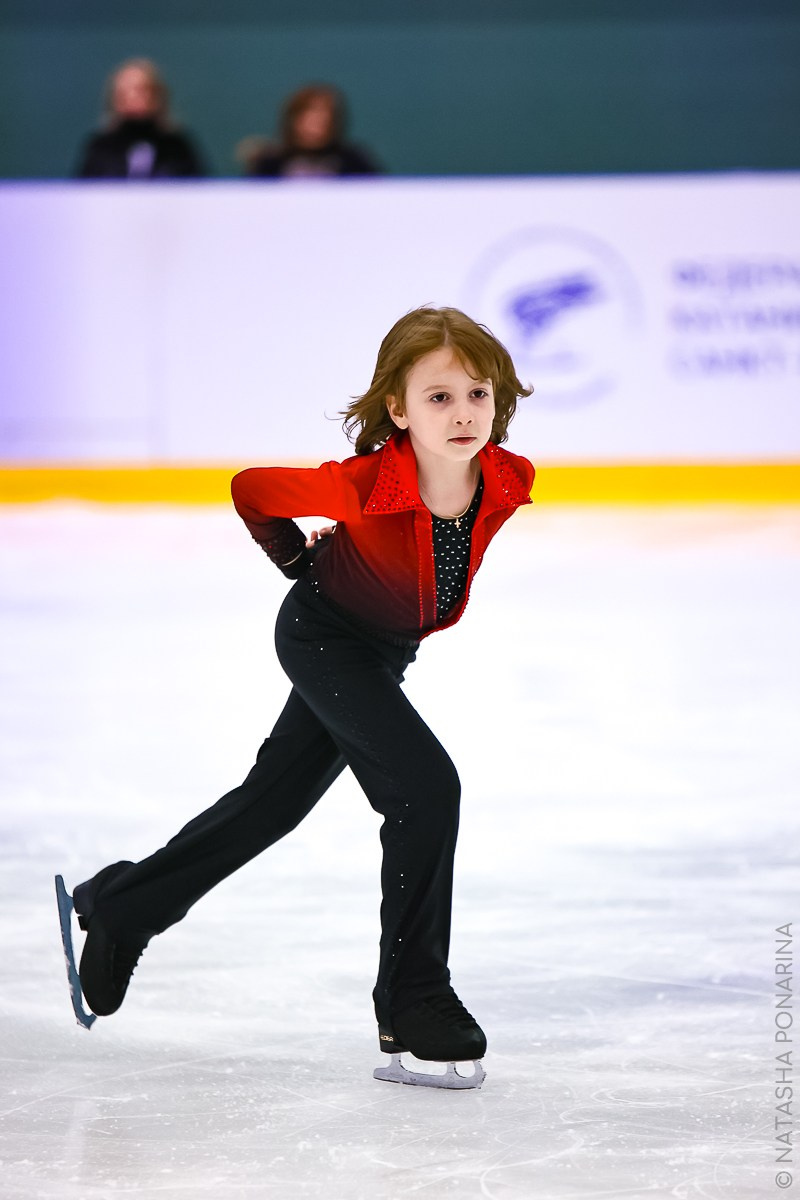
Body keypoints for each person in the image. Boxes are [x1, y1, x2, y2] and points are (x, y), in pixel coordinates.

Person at [56, 306, 534, 1089]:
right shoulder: (362, 484)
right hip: (322, 639)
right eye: (438, 397)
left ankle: (122, 908)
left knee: (269, 806)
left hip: (383, 651)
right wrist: (293, 560)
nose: (462, 413)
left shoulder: (509, 480)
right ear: (399, 408)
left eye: (477, 394)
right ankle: (414, 1004)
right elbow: (252, 490)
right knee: (425, 789)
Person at [75, 58, 206, 179]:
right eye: (125, 92)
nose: (133, 97)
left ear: (157, 95)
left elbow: (198, 191)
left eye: (141, 90)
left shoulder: (177, 147)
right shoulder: (101, 148)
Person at [241, 83, 380, 178]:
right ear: (294, 119)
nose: (320, 121)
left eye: (326, 114)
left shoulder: (354, 162)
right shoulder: (270, 163)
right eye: (311, 115)